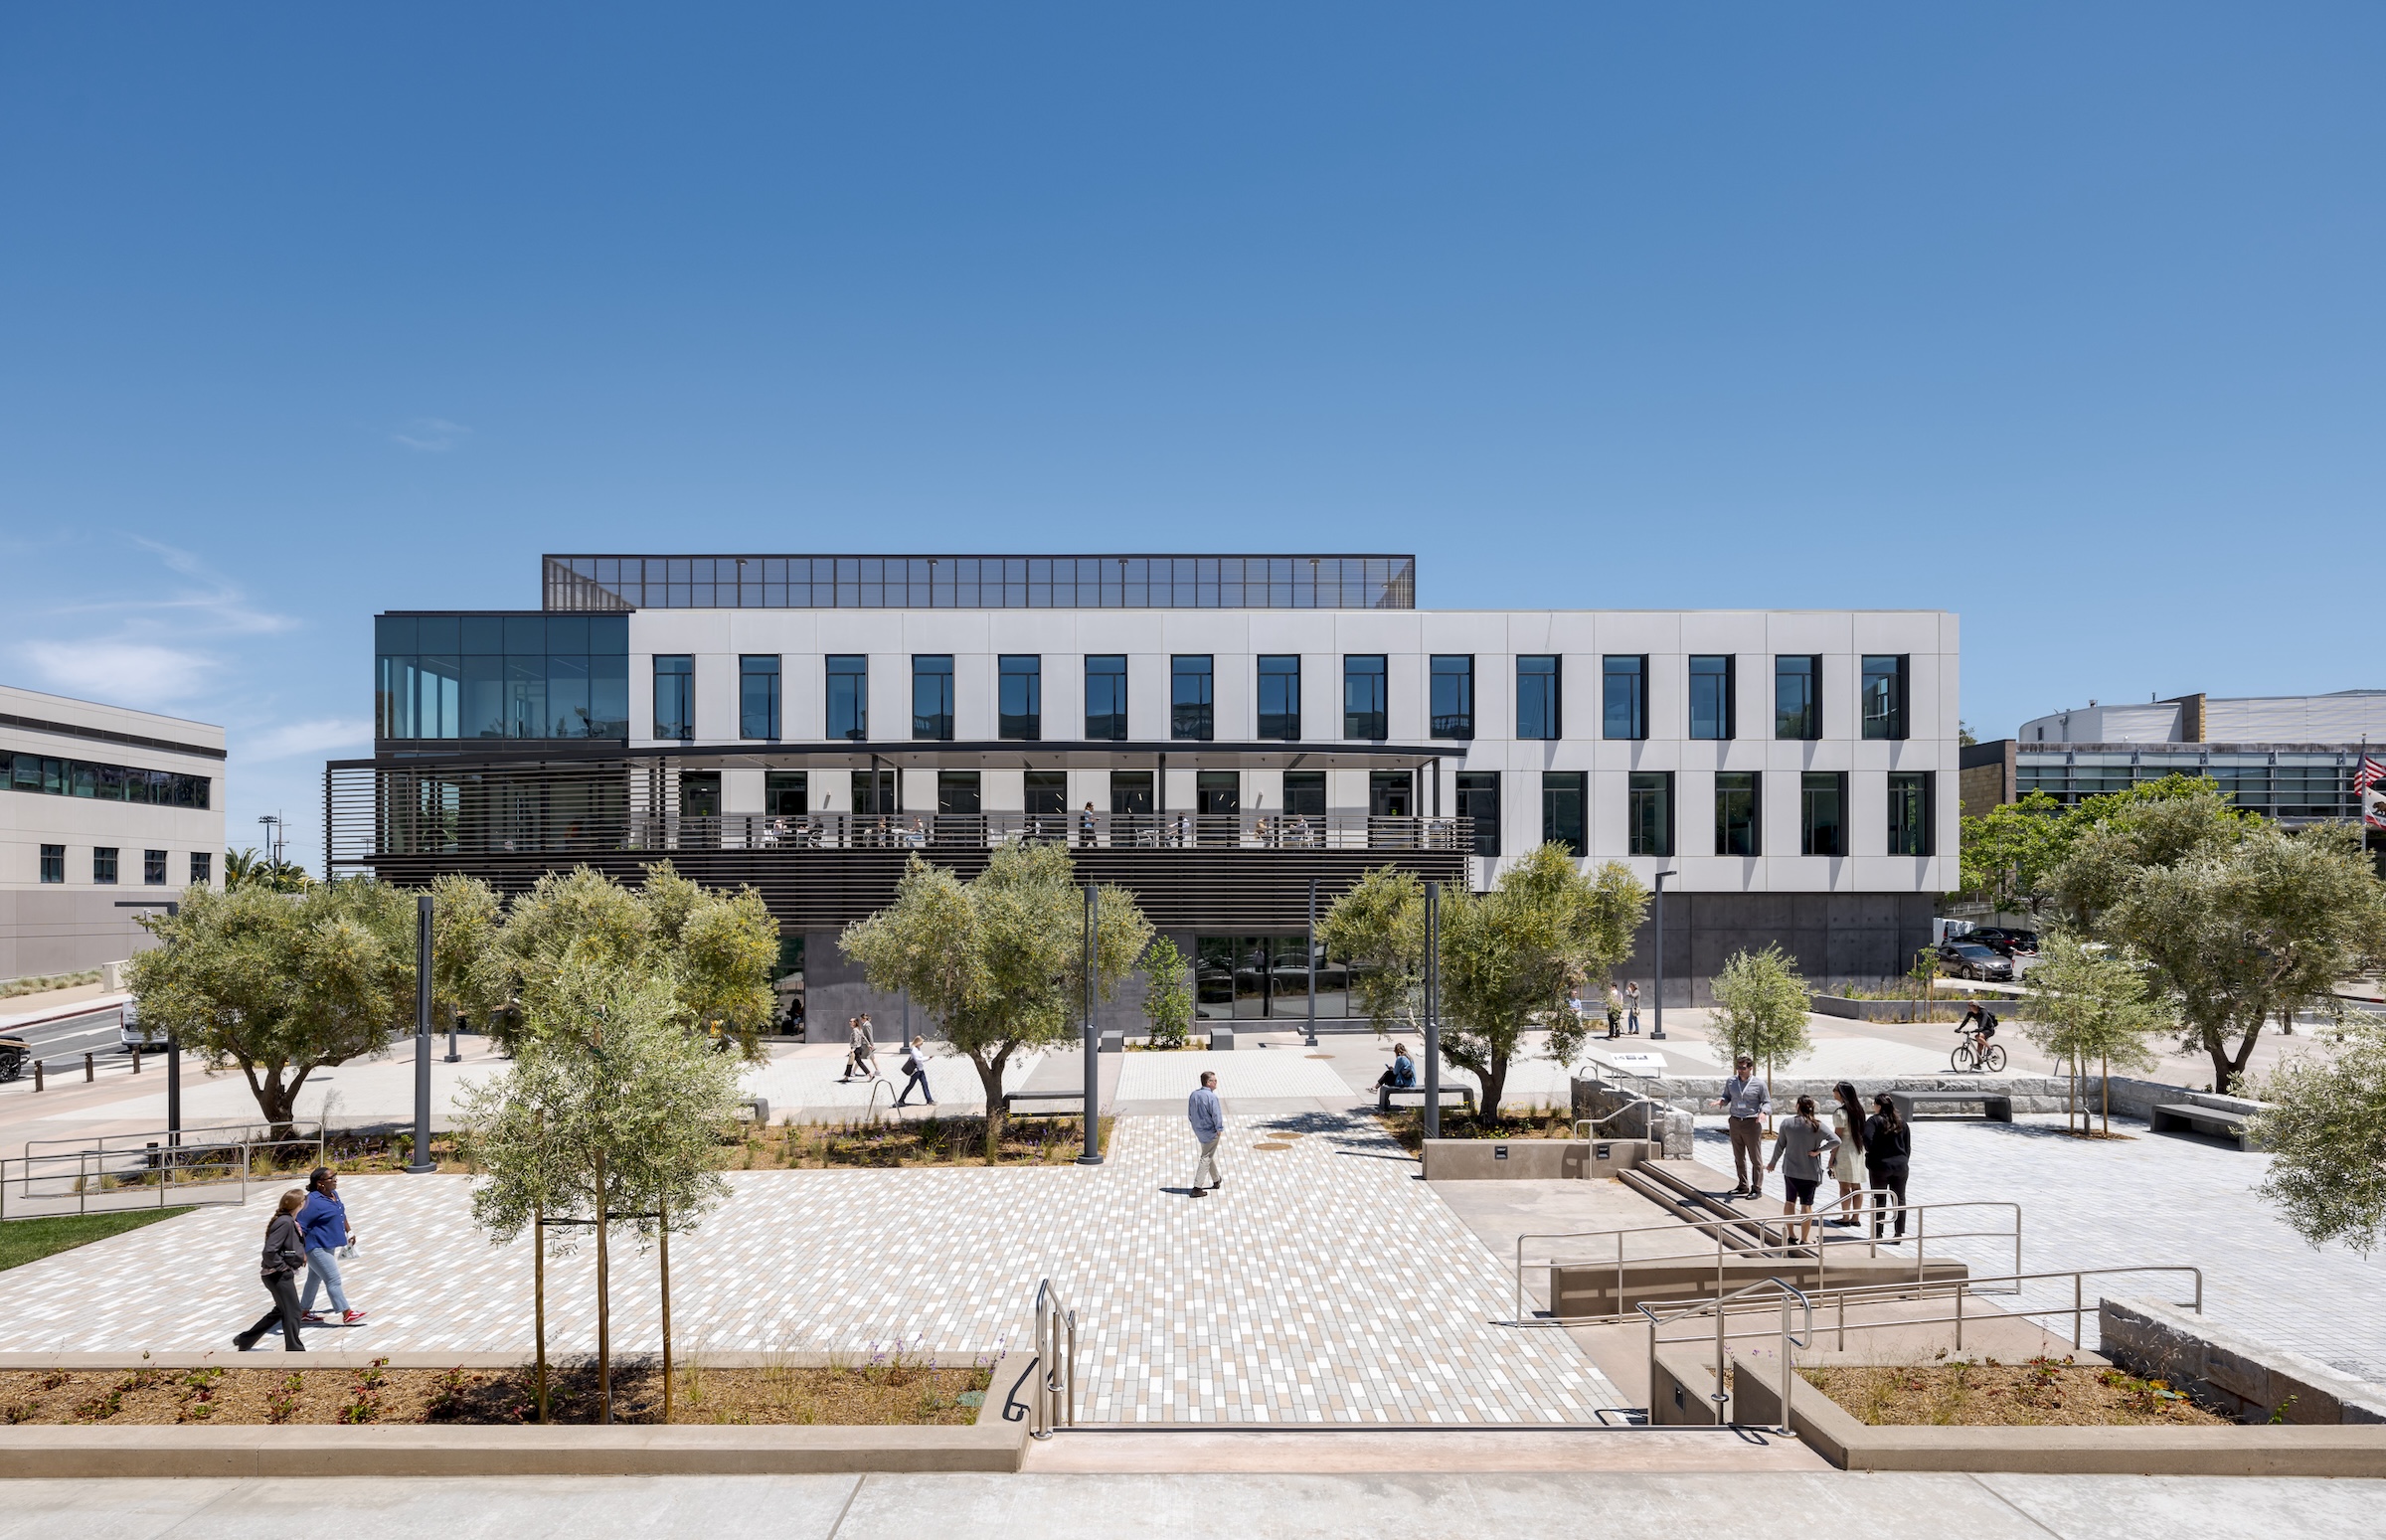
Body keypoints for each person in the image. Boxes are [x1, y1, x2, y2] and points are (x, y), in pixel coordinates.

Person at [234, 1189, 311, 1352]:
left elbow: (284, 1250)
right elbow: (270, 1251)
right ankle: (295, 1349)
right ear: (300, 1204)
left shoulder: (288, 1220)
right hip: (277, 1275)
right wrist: (282, 1266)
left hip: (279, 1274)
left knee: (281, 1311)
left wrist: (296, 1255)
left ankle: (245, 1340)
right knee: (294, 1311)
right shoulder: (285, 1222)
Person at [1766, 1095, 1840, 1246]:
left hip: (1791, 1170)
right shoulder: (1817, 1125)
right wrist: (1819, 1151)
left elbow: (1780, 1146)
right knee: (1807, 1205)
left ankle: (1791, 1234)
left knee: (1789, 1202)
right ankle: (1804, 1238)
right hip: (1810, 1171)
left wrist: (1772, 1163)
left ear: (1798, 1106)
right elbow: (1836, 1140)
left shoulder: (1787, 1123)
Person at [296, 1167, 364, 1326]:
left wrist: (349, 1230)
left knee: (314, 1278)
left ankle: (302, 1313)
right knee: (333, 1278)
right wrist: (301, 1251)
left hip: (328, 1243)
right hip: (314, 1246)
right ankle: (346, 1313)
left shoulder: (333, 1195)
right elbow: (299, 1225)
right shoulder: (312, 1202)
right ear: (320, 1184)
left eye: (335, 1176)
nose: (335, 1179)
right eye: (331, 1177)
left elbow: (341, 1212)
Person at [1714, 1055, 1771, 1199]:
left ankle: (1756, 1188)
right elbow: (1726, 1096)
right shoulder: (1731, 1081)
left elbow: (1767, 1102)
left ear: (1750, 1068)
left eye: (1743, 1068)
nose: (1739, 1070)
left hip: (1751, 1122)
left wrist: (1763, 1113)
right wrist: (1722, 1101)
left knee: (1755, 1158)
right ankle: (1742, 1185)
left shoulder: (1759, 1084)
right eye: (1738, 1067)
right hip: (1735, 1121)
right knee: (1738, 1157)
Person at [1864, 1091, 1914, 1241]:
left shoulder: (1874, 1121)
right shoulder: (1901, 1122)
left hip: (1880, 1165)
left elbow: (1867, 1139)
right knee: (1899, 1199)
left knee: (1879, 1199)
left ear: (1879, 1106)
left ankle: (1878, 1233)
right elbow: (1907, 1146)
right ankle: (1899, 1232)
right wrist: (1903, 1159)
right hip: (1900, 1165)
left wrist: (1872, 1153)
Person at [1825, 1081, 1869, 1227]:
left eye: (1835, 1090)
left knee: (1844, 1186)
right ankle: (1855, 1217)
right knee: (1856, 1186)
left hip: (1844, 1152)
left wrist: (1831, 1157)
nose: (1834, 1093)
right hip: (1857, 1150)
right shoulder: (1859, 1110)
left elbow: (1837, 1138)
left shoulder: (1840, 1113)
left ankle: (1845, 1217)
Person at [1187, 1070, 1225, 1196]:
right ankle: (1197, 1187)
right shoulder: (1212, 1097)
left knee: (1208, 1154)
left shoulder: (1194, 1094)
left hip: (1199, 1130)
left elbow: (1190, 1113)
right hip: (1210, 1131)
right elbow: (1216, 1115)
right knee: (1206, 1157)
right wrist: (1219, 1129)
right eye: (1214, 1080)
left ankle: (1216, 1180)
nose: (1216, 1082)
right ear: (1208, 1082)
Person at [895, 1035, 937, 1108]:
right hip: (916, 1071)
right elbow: (917, 1059)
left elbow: (920, 1059)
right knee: (910, 1085)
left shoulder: (918, 1049)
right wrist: (927, 1058)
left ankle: (929, 1100)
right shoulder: (914, 1049)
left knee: (925, 1084)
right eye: (921, 1043)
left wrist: (926, 1059)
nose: (921, 1044)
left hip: (920, 1069)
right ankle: (901, 1100)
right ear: (917, 1042)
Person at [1958, 1001, 1998, 1068]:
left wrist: (1982, 1027)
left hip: (1989, 1029)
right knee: (1979, 1047)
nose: (1970, 1008)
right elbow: (1965, 1021)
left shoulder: (1983, 1011)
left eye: (1971, 1006)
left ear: (1976, 1006)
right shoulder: (1970, 1013)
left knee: (1978, 1037)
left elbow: (1984, 1019)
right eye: (1969, 1006)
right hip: (1982, 1030)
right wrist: (1959, 1028)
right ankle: (1978, 1064)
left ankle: (1991, 1049)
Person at [841, 1017, 877, 1083]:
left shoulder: (855, 1030)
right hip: (858, 1048)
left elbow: (856, 1040)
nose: (850, 1023)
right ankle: (846, 1077)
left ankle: (870, 1075)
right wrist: (868, 1044)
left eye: (851, 1021)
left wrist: (853, 1049)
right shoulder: (859, 1029)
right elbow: (863, 1037)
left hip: (856, 1049)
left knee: (856, 1063)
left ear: (855, 1023)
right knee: (852, 1063)